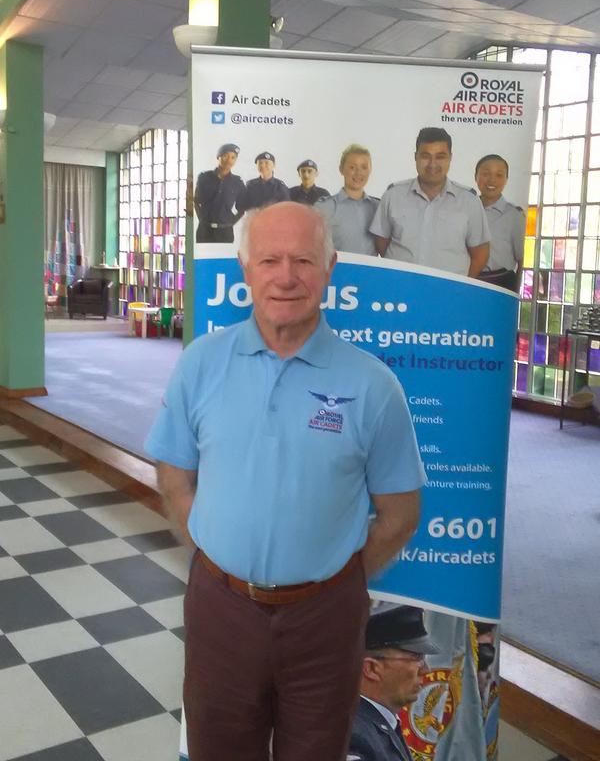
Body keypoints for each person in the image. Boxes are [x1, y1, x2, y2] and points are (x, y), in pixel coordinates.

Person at [145, 201, 426, 761]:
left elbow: (400, 514)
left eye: (303, 260)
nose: (286, 276)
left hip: (326, 619)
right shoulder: (201, 363)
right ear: (246, 270)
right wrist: (214, 550)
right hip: (220, 608)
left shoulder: (373, 384)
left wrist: (335, 578)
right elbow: (174, 471)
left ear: (329, 269)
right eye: (269, 260)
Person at [369, 127, 490, 277]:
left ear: (450, 158)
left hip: (448, 289)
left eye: (440, 157)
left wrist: (461, 286)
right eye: (425, 156)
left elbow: (480, 254)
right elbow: (382, 244)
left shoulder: (469, 201)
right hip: (401, 287)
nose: (432, 164)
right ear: (416, 157)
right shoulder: (393, 195)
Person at [347, 605, 440, 761]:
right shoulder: (353, 735)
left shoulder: (376, 724)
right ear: (371, 669)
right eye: (416, 657)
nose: (426, 670)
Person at [315, 144, 378, 255]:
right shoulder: (324, 207)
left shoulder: (378, 208)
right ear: (341, 169)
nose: (358, 173)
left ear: (370, 170)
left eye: (364, 167)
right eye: (352, 167)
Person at [475, 154, 525, 292]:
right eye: (486, 174)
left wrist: (515, 294)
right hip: (469, 282)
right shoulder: (465, 210)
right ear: (476, 177)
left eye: (499, 175)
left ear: (506, 179)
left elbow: (522, 260)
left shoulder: (515, 216)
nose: (492, 180)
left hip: (500, 284)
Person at [194, 143, 245, 243]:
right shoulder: (204, 177)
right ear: (218, 157)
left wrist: (231, 223)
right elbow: (196, 201)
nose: (229, 160)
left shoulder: (237, 182)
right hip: (204, 232)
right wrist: (201, 219)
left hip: (225, 233)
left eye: (233, 157)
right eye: (225, 156)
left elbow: (242, 209)